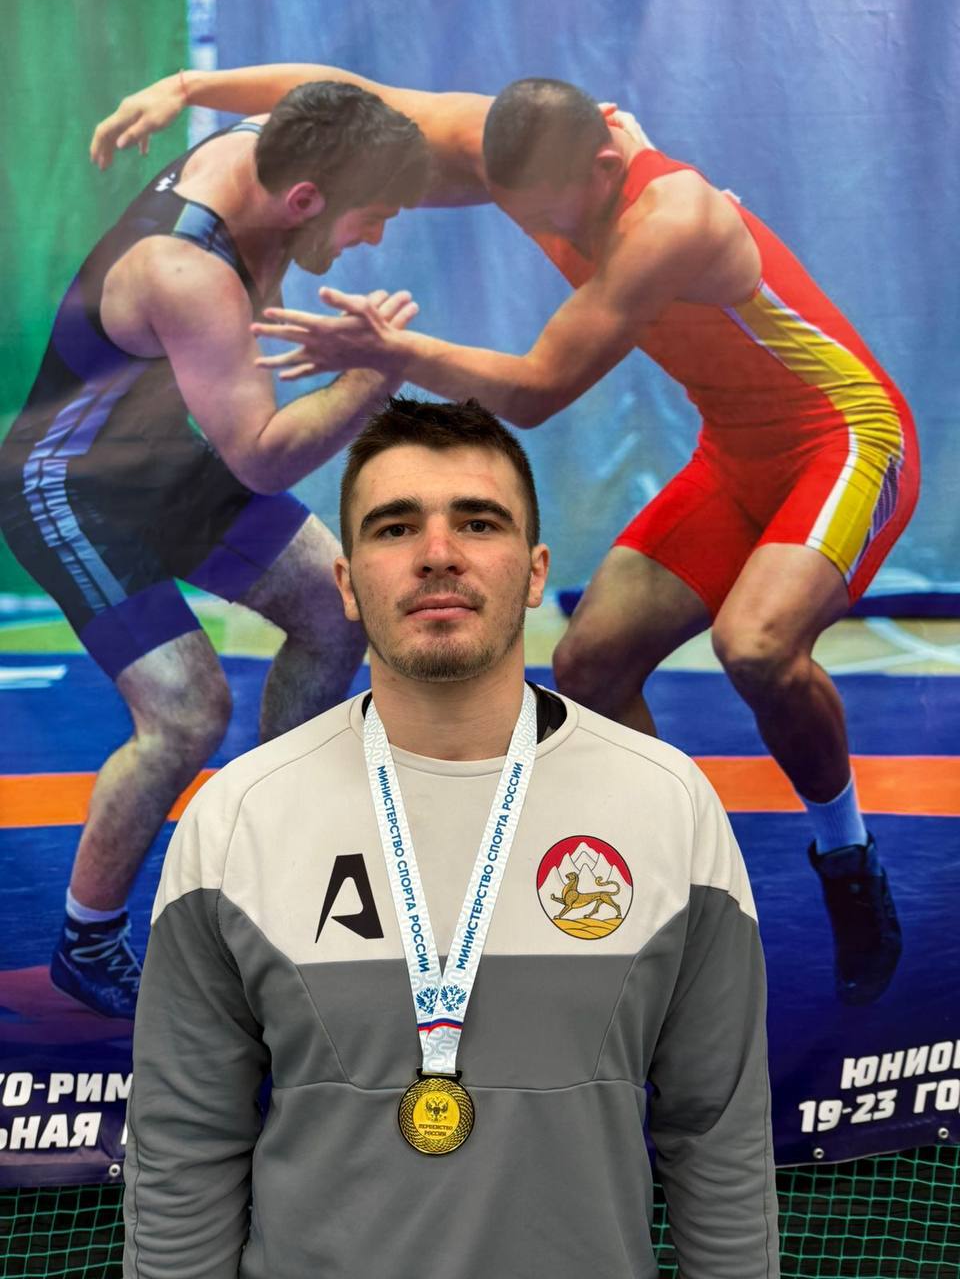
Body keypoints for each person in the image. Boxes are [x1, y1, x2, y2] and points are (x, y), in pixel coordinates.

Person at [91, 68, 919, 1007]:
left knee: (757, 645)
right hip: (734, 453)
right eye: (518, 207)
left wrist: (392, 352)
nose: (540, 229)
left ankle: (848, 858)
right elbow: (347, 94)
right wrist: (192, 87)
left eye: (551, 212)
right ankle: (680, 895)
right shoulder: (522, 152)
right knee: (591, 665)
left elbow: (536, 389)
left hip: (843, 435)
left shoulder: (671, 219)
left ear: (604, 165)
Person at [123, 395, 779, 1279]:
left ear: (536, 572)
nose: (438, 553)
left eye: (478, 522)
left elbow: (719, 1141)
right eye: (395, 528)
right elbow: (184, 1147)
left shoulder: (667, 803)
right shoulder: (239, 816)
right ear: (347, 583)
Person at [0, 80, 430, 1018]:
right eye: (370, 218)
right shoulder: (185, 273)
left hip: (166, 457)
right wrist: (374, 372)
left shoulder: (274, 144)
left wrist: (185, 87)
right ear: (304, 198)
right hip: (70, 488)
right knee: (187, 714)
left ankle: (275, 865)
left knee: (337, 606)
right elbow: (263, 458)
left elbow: (359, 105)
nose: (372, 240)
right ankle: (86, 942)